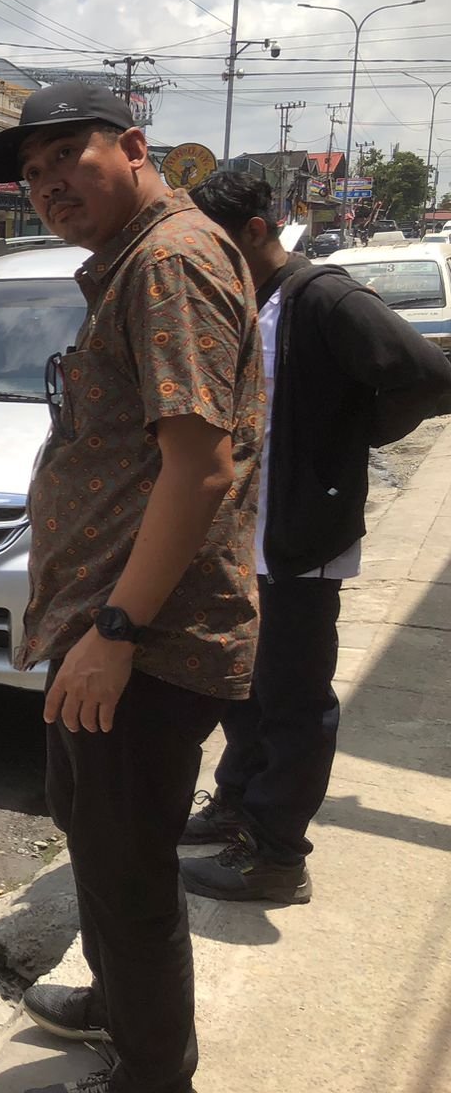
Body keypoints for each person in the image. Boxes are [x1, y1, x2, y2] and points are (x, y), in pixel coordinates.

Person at [0, 83, 263, 1093]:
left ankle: (151, 1073)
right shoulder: (142, 259)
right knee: (98, 840)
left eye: (68, 156)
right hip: (108, 633)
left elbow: (200, 468)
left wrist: (113, 628)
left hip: (142, 643)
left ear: (133, 146)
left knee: (130, 869)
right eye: (33, 173)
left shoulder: (168, 264)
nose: (49, 183)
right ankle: (114, 998)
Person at [180, 172, 451, 903]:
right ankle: (238, 804)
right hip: (245, 540)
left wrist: (345, 438)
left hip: (299, 539)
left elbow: (430, 376)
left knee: (295, 700)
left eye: (218, 245)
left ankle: (276, 857)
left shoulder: (325, 297)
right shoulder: (250, 300)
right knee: (246, 689)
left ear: (258, 232)